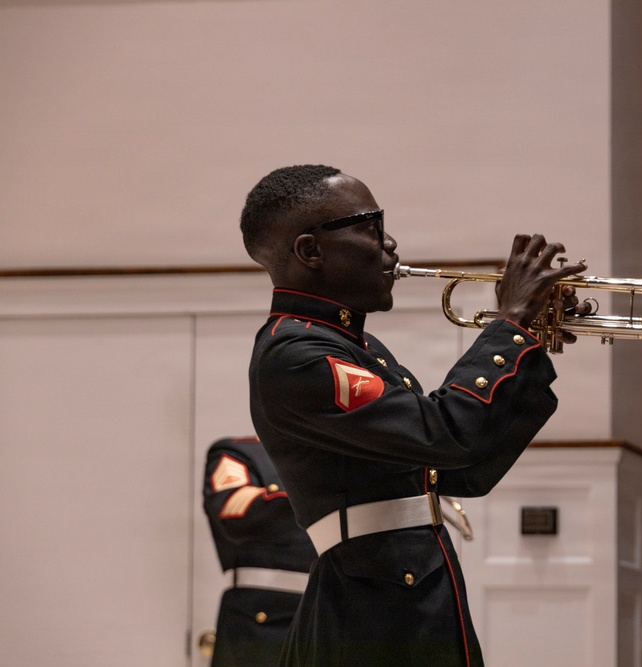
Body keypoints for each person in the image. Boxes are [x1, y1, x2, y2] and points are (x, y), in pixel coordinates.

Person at [239, 164, 588, 666]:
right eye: (370, 227)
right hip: (369, 608)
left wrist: (529, 342)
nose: (391, 243)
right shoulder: (297, 355)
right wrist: (511, 325)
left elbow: (460, 468)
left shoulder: (354, 345)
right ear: (310, 251)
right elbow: (444, 433)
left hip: (408, 588)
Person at [202, 435, 317, 667]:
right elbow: (233, 507)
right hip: (262, 622)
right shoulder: (240, 451)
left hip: (331, 614)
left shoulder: (340, 453)